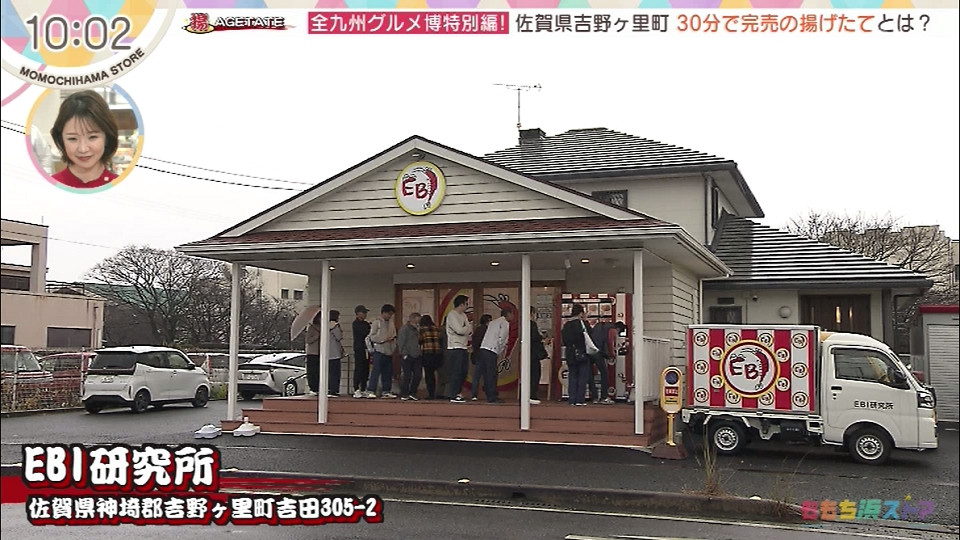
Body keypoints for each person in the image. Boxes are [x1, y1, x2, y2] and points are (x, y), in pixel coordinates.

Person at [49, 89, 120, 189]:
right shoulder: (49, 187)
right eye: (73, 138)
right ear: (61, 140)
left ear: (107, 137)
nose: (83, 149)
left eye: (92, 137)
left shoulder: (122, 186)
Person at [476, 308, 512, 403]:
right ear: (508, 314)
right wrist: (499, 350)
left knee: (486, 373)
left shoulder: (493, 323)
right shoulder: (504, 323)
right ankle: (492, 396)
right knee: (492, 374)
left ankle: (489, 394)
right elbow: (502, 338)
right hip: (492, 349)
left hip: (483, 348)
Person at [363, 304, 397, 399]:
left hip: (389, 350)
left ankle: (386, 390)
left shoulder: (391, 323)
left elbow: (394, 335)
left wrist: (393, 345)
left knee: (388, 372)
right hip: (378, 350)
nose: (390, 316)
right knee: (376, 370)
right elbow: (371, 336)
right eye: (388, 314)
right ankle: (370, 389)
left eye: (391, 314)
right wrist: (383, 339)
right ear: (383, 313)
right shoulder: (376, 322)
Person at [561, 304, 592, 406]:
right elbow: (590, 337)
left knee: (572, 376)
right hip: (582, 352)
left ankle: (572, 399)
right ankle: (580, 400)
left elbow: (564, 340)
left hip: (570, 352)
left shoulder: (566, 325)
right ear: (581, 313)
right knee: (582, 376)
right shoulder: (583, 324)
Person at [445, 295, 472, 403]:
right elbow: (459, 330)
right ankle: (453, 394)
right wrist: (467, 328)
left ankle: (458, 392)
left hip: (464, 346)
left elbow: (469, 330)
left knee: (463, 371)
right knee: (456, 371)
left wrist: (467, 329)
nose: (467, 306)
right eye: (466, 304)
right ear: (461, 304)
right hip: (454, 347)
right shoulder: (452, 315)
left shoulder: (464, 315)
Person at [587, 320, 617, 405]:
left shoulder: (597, 326)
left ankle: (594, 397)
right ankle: (604, 397)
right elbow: (610, 343)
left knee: (590, 374)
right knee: (604, 373)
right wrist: (611, 354)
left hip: (590, 351)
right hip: (599, 352)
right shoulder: (612, 329)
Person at [397, 312, 423, 401]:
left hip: (417, 355)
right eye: (417, 321)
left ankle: (413, 392)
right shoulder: (404, 329)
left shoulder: (417, 330)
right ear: (412, 319)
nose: (418, 323)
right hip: (407, 355)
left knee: (418, 375)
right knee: (407, 375)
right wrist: (404, 354)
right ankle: (404, 393)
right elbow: (400, 342)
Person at [419, 315, 443, 400]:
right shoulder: (437, 329)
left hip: (428, 353)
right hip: (438, 353)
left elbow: (420, 341)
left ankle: (431, 394)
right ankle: (440, 392)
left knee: (429, 375)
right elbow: (441, 340)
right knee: (440, 374)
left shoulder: (422, 330)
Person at [469, 314, 492, 401]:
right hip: (485, 354)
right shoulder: (487, 330)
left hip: (477, 354)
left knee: (476, 376)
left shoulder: (478, 329)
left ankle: (474, 394)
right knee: (487, 375)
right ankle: (489, 394)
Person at [528, 306, 548, 405]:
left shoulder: (522, 324)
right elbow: (535, 337)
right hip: (534, 353)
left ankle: (528, 393)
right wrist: (543, 339)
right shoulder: (532, 324)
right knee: (535, 374)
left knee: (529, 374)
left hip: (527, 353)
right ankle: (532, 394)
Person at [351, 305, 371, 398]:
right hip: (359, 348)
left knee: (366, 369)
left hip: (367, 348)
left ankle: (363, 388)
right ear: (358, 313)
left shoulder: (366, 324)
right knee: (359, 368)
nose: (365, 314)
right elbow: (365, 333)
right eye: (363, 312)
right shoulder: (355, 323)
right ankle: (356, 389)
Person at [304, 310, 323, 396]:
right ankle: (312, 387)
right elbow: (308, 340)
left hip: (320, 352)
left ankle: (319, 387)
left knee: (319, 371)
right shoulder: (312, 328)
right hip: (312, 352)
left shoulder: (323, 327)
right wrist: (316, 336)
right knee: (312, 371)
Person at [327, 310, 344, 397]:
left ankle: (329, 389)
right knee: (335, 373)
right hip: (335, 352)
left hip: (327, 352)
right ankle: (334, 390)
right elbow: (339, 337)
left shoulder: (325, 325)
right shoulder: (335, 326)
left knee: (329, 372)